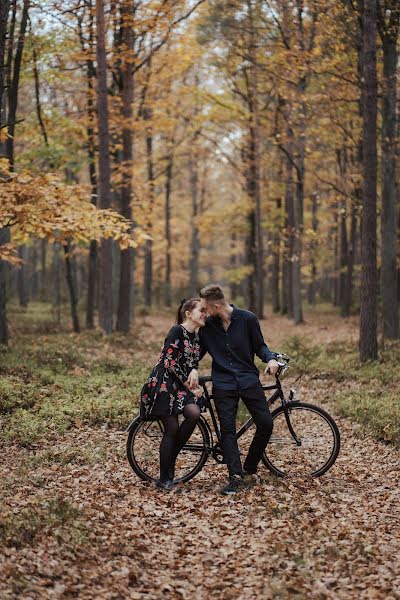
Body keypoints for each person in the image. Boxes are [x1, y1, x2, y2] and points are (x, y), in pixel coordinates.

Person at [197, 284, 279, 495]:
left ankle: (249, 468)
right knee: (227, 431)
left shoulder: (247, 319)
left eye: (205, 308)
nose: (203, 312)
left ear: (216, 306)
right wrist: (187, 367)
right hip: (223, 384)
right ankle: (235, 477)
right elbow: (195, 354)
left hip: (248, 380)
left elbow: (260, 346)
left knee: (266, 424)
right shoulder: (207, 327)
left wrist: (270, 359)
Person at [139, 298, 206, 491]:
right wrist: (191, 385)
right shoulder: (177, 331)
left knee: (193, 413)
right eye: (201, 310)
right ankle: (165, 478)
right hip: (165, 383)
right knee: (172, 428)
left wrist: (194, 370)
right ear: (188, 314)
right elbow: (169, 362)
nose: (205, 314)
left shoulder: (196, 336)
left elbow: (192, 360)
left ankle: (171, 455)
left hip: (181, 385)